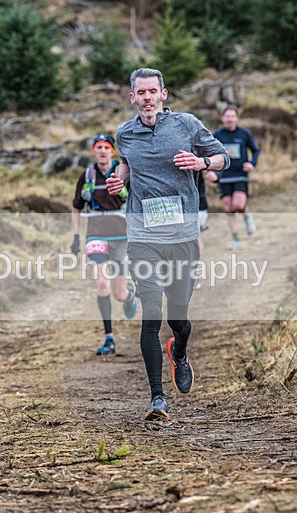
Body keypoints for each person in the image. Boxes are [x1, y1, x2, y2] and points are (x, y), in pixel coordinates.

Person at [105, 68, 230, 421]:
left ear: (163, 95)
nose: (146, 97)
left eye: (152, 91)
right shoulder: (124, 133)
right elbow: (127, 165)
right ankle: (157, 399)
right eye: (140, 92)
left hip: (182, 236)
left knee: (178, 318)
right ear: (132, 98)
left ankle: (180, 349)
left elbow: (224, 157)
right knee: (151, 316)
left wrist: (202, 162)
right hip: (143, 236)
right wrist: (119, 180)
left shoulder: (187, 125)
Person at [71, 133, 138, 355]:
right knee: (102, 284)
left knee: (118, 293)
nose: (102, 151)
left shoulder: (124, 172)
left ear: (112, 151)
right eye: (98, 147)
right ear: (94, 151)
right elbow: (77, 207)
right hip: (96, 234)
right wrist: (76, 237)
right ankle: (109, 338)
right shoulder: (87, 175)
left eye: (106, 147)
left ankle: (128, 295)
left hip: (121, 236)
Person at [206, 106, 260, 250]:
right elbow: (211, 154)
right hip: (224, 176)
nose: (229, 119)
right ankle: (235, 239)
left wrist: (251, 163)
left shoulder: (244, 133)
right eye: (227, 116)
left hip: (240, 174)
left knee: (238, 205)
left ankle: (246, 214)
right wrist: (211, 171)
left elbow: (255, 150)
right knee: (229, 208)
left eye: (232, 116)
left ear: (236, 118)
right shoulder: (217, 135)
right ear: (222, 118)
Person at [193, 169, 208, 290]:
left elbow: (218, 158)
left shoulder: (196, 150)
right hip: (171, 204)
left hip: (197, 202)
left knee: (195, 237)